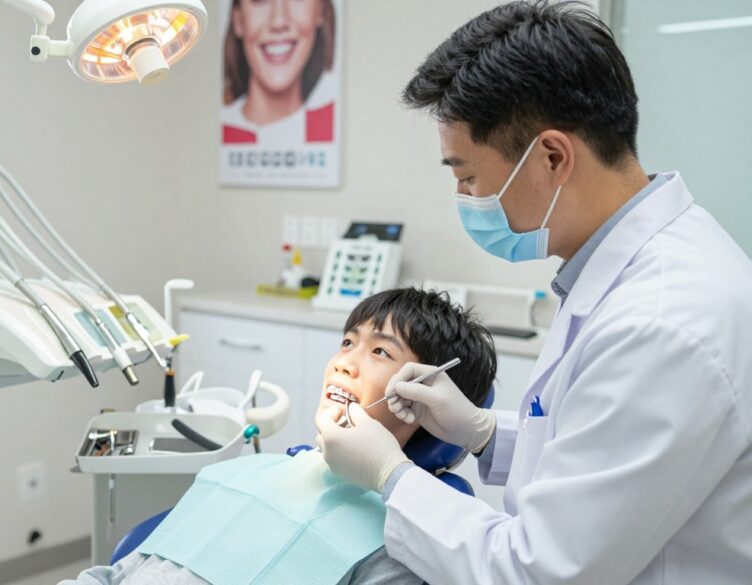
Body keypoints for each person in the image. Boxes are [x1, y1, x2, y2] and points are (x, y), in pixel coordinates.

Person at [315, 2, 752, 584]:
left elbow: (540, 571)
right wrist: (483, 431)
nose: (465, 197)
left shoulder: (661, 320)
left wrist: (391, 475)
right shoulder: (633, 271)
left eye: (468, 176)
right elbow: (602, 457)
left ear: (551, 157)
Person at [59, 287, 497, 585]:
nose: (343, 363)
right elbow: (117, 574)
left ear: (425, 394)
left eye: (381, 351)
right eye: (347, 342)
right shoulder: (244, 474)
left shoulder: (404, 537)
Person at [222, 0, 337, 144]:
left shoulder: (335, 117)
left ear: (319, 10)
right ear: (238, 19)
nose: (278, 22)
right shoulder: (215, 130)